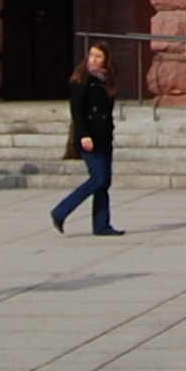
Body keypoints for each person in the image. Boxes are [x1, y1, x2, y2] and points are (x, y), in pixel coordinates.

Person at [50, 41, 122, 235]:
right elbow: (77, 111)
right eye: (91, 56)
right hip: (88, 136)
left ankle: (101, 225)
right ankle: (60, 211)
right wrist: (83, 135)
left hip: (104, 135)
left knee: (104, 182)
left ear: (106, 59)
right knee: (98, 178)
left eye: (98, 57)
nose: (94, 60)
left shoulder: (107, 80)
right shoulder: (81, 80)